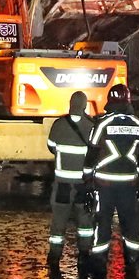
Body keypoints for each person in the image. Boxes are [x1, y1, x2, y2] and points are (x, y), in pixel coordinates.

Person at [84, 84, 139, 269]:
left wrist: (87, 178)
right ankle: (133, 258)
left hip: (105, 183)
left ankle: (99, 260)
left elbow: (92, 152)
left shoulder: (103, 123)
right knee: (130, 222)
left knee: (102, 221)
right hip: (128, 183)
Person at [45, 91, 95, 267]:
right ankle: (84, 253)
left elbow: (51, 146)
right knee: (85, 221)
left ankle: (54, 256)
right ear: (84, 105)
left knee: (59, 219)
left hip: (62, 183)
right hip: (83, 184)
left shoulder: (59, 124)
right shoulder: (91, 126)